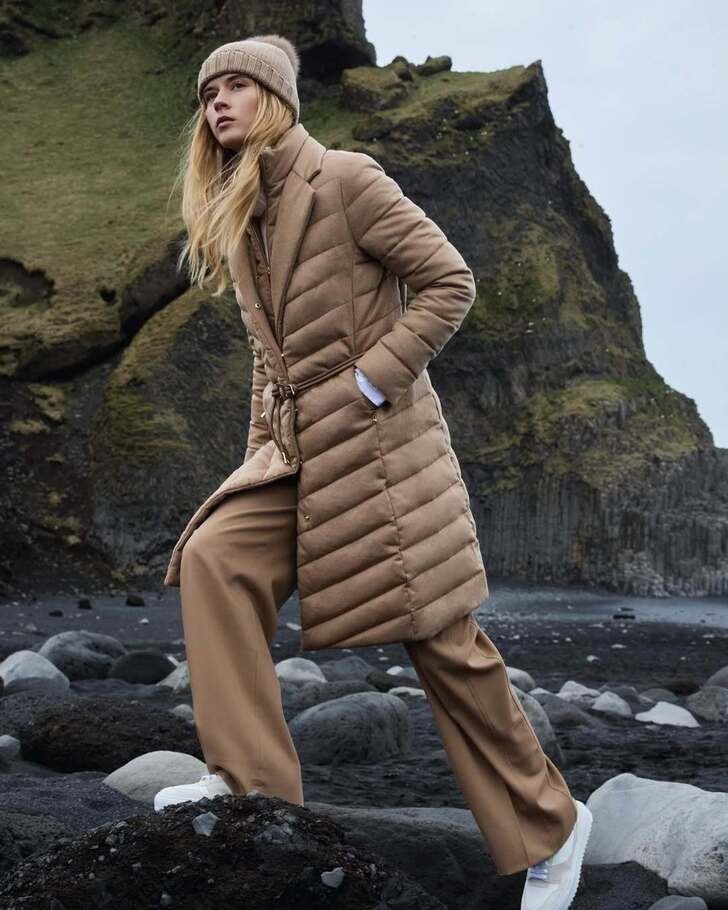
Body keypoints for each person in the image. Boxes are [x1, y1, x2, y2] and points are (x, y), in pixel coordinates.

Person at [154, 33, 593, 909]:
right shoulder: (244, 215)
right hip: (295, 455)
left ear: (276, 98)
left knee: (442, 643)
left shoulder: (347, 179)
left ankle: (554, 827)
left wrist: (369, 381)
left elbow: (449, 282)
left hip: (385, 459)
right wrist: (261, 449)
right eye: (208, 93)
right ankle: (251, 788)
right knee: (214, 557)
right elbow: (270, 361)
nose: (218, 103)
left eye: (236, 86)